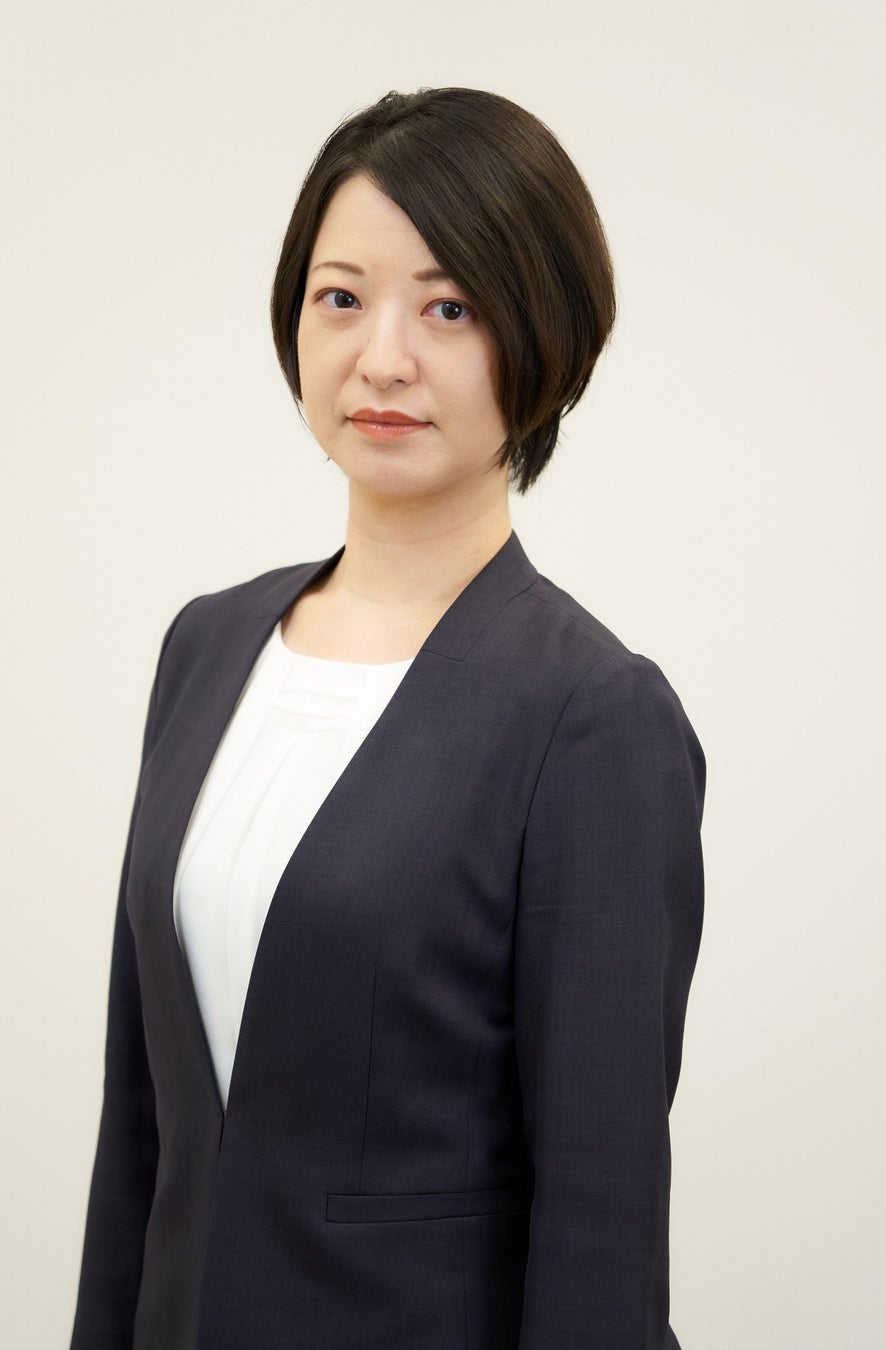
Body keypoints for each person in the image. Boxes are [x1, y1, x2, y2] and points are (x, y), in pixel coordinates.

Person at [70, 88, 705, 1350]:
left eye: (449, 307)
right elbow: (140, 1131)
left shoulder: (591, 717)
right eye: (341, 297)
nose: (383, 359)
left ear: (545, 334)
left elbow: (602, 1224)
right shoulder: (207, 647)